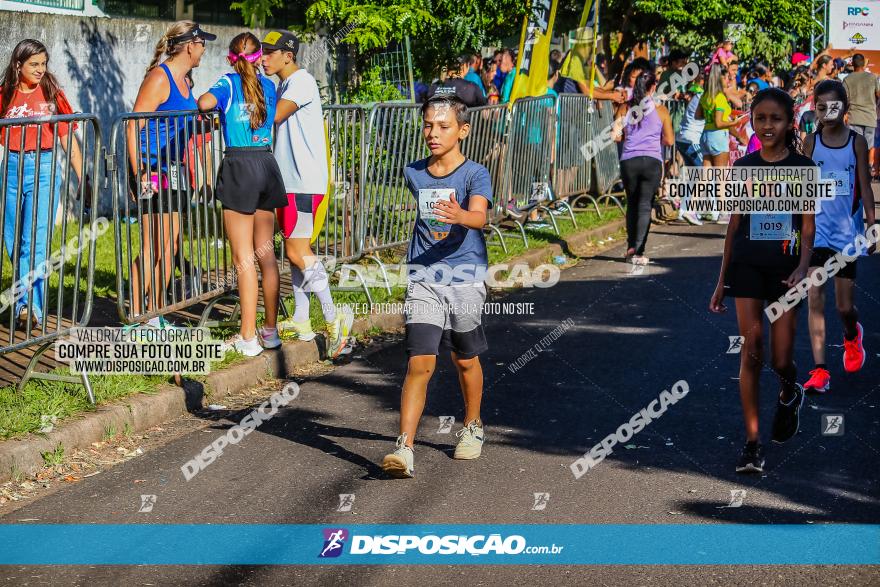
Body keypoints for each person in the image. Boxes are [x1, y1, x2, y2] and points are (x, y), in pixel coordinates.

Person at [381, 95, 493, 479]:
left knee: (464, 359)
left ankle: (473, 425)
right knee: (419, 361)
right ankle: (405, 447)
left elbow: (479, 216)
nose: (433, 133)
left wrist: (461, 215)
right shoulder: (414, 173)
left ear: (462, 130)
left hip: (464, 276)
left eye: (443, 126)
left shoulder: (475, 173)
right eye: (428, 124)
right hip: (423, 277)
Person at [709, 88, 816, 474]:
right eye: (760, 118)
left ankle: (791, 389)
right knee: (752, 350)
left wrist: (804, 266)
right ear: (752, 121)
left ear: (789, 123)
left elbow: (807, 225)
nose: (767, 125)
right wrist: (722, 280)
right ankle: (752, 444)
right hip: (748, 266)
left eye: (775, 119)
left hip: (787, 271)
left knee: (781, 359)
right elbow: (734, 225)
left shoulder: (805, 169)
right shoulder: (743, 168)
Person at [261, 30, 353, 358]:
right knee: (295, 251)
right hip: (292, 183)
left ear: (289, 55)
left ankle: (334, 317)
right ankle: (302, 318)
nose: (264, 58)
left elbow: (272, 115)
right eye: (262, 52)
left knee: (298, 251)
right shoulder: (285, 84)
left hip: (304, 183)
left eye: (270, 52)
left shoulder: (300, 81)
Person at [197, 32, 286, 356]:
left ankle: (247, 337)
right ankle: (270, 331)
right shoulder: (270, 86)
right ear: (259, 56)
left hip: (239, 164)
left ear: (230, 58)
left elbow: (203, 103)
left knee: (243, 257)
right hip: (266, 162)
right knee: (266, 254)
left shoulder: (228, 82)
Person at [128, 21, 215, 327]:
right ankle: (136, 316)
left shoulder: (184, 81)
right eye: (203, 43)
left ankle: (157, 312)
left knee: (171, 245)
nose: (205, 48)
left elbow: (178, 124)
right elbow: (133, 125)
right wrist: (136, 172)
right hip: (152, 170)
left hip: (174, 170)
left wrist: (205, 125)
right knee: (152, 245)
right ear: (190, 45)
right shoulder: (159, 78)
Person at [0, 39, 85, 330]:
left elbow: (66, 138)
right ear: (17, 65)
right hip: (10, 167)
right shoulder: (5, 94)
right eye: (34, 64)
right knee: (13, 240)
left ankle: (30, 308)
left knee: (32, 241)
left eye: (44, 63)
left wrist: (82, 177)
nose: (40, 69)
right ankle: (25, 300)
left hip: (44, 167)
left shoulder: (51, 92)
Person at [801, 80, 875, 393]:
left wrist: (872, 226)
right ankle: (820, 369)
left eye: (834, 106)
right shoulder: (810, 143)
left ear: (845, 107)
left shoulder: (856, 142)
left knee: (845, 308)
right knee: (814, 297)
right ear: (814, 108)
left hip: (847, 235)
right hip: (816, 235)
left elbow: (866, 186)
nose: (828, 112)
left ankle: (851, 336)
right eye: (821, 106)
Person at [614, 71, 674, 265]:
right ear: (653, 88)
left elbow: (615, 135)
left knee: (632, 203)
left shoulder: (625, 108)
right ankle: (639, 251)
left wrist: (627, 135)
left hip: (629, 160)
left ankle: (631, 247)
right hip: (652, 161)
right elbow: (669, 139)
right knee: (645, 205)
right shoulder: (661, 110)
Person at [675, 78, 706, 225]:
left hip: (683, 139)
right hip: (691, 140)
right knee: (703, 174)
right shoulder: (705, 98)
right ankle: (690, 210)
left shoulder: (700, 97)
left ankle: (683, 210)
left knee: (694, 176)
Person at [843, 54, 880, 157]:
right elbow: (878, 94)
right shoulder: (872, 77)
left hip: (854, 117)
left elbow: (844, 99)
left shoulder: (847, 79)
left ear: (852, 64)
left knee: (855, 146)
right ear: (864, 63)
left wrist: (844, 114)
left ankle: (856, 169)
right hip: (870, 117)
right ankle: (866, 169)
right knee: (868, 147)